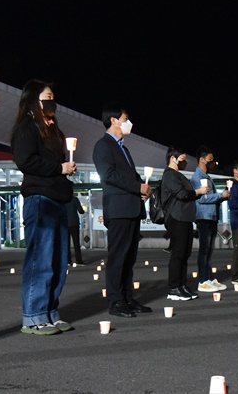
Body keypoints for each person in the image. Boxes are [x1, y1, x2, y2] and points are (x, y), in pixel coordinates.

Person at [11, 80, 76, 335]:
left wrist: (65, 167)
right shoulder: (26, 127)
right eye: (48, 96)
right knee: (40, 259)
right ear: (34, 100)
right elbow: (25, 160)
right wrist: (59, 168)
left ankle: (50, 311)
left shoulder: (51, 129)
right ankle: (33, 315)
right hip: (40, 199)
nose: (53, 101)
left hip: (58, 199)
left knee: (59, 261)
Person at [92, 102, 152, 318]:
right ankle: (116, 300)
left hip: (131, 208)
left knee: (129, 257)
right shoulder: (103, 146)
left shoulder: (123, 148)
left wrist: (143, 189)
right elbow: (109, 175)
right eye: (126, 118)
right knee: (118, 256)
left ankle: (127, 297)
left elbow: (129, 176)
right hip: (118, 210)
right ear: (114, 120)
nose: (129, 122)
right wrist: (137, 186)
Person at [161, 147, 209, 300]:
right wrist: (198, 192)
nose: (184, 162)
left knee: (184, 254)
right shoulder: (169, 175)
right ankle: (174, 287)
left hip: (185, 218)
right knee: (178, 254)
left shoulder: (177, 175)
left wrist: (197, 193)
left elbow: (185, 195)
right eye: (182, 159)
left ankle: (181, 285)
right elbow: (181, 194)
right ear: (172, 158)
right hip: (177, 218)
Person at [190, 145, 230, 293]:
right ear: (201, 159)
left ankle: (209, 278)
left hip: (211, 217)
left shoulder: (206, 177)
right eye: (210, 160)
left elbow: (208, 198)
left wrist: (222, 198)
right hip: (204, 217)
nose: (212, 163)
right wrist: (220, 195)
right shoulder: (197, 177)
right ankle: (203, 280)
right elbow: (201, 199)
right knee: (204, 250)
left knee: (209, 250)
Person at [66, 196, 85, 266]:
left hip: (65, 224)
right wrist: (83, 211)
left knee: (66, 244)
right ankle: (79, 261)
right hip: (74, 223)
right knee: (76, 243)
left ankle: (68, 261)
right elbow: (80, 210)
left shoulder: (62, 199)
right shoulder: (74, 199)